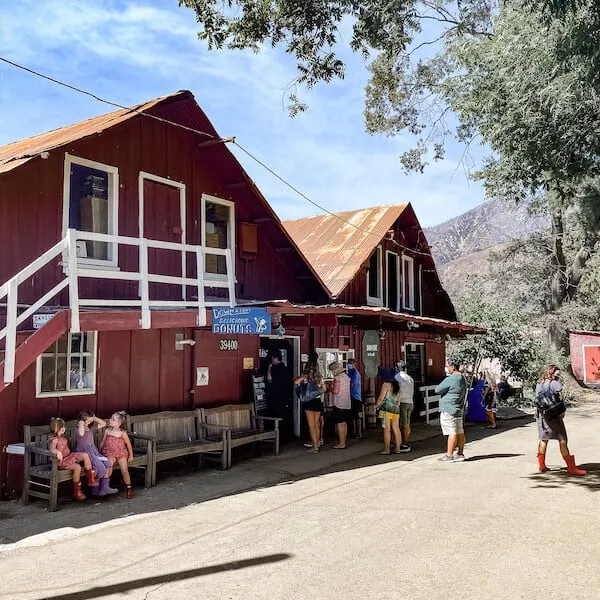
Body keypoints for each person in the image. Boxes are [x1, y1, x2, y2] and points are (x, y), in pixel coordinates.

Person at [536, 365, 586, 475]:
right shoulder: (555, 383)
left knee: (544, 439)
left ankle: (541, 465)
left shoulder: (540, 383)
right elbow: (560, 393)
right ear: (552, 373)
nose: (558, 376)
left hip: (543, 416)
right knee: (562, 440)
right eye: (557, 374)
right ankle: (571, 467)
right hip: (554, 416)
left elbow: (537, 398)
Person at [49, 417, 98, 501]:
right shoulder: (55, 440)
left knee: (85, 455)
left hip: (70, 456)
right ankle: (77, 492)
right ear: (57, 429)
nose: (64, 429)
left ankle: (91, 478)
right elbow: (51, 449)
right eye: (62, 428)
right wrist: (58, 452)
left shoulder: (62, 437)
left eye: (63, 427)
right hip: (62, 461)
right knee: (77, 467)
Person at [75, 410, 118, 496]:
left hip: (94, 452)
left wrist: (94, 418)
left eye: (91, 421)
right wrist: (81, 424)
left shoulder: (91, 428)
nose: (89, 423)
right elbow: (81, 433)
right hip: (85, 453)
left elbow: (103, 424)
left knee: (107, 462)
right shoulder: (79, 428)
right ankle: (96, 491)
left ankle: (104, 488)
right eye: (87, 421)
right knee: (99, 466)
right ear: (82, 420)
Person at [435, 363, 467, 462]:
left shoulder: (451, 378)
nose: (446, 368)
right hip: (458, 407)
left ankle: (449, 455)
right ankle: (460, 453)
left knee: (451, 432)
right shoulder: (463, 378)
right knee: (460, 431)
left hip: (449, 407)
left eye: (448, 366)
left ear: (452, 367)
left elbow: (438, 389)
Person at [295, 352, 326, 453]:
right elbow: (324, 389)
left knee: (311, 425)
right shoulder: (319, 376)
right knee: (316, 424)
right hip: (317, 401)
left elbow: (296, 382)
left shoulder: (306, 376)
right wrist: (317, 391)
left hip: (309, 401)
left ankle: (315, 446)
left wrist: (303, 378)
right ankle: (317, 443)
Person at [101, 412, 135, 498]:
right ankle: (105, 486)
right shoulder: (107, 431)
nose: (110, 420)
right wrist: (99, 451)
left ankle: (129, 488)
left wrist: (131, 455)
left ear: (119, 423)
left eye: (113, 419)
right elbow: (103, 442)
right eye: (111, 418)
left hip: (121, 453)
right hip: (109, 452)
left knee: (124, 469)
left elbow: (128, 445)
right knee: (109, 464)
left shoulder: (122, 433)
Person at [266, 350, 294, 441]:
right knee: (284, 417)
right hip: (285, 397)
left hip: (275, 397)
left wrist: (269, 368)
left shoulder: (274, 368)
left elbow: (269, 379)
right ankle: (285, 436)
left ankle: (277, 437)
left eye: (272, 358)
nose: (271, 360)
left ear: (275, 358)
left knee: (275, 417)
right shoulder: (286, 369)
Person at [375, 373, 403, 455]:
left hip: (386, 409)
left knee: (387, 429)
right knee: (396, 428)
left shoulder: (385, 385)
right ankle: (398, 449)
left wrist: (376, 406)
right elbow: (399, 399)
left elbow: (381, 398)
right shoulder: (398, 385)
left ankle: (387, 450)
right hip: (396, 409)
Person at [328, 361, 352, 449]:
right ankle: (343, 442)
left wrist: (328, 388)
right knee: (344, 423)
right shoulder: (346, 377)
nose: (332, 372)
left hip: (339, 403)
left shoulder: (337, 378)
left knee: (339, 423)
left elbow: (336, 391)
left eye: (332, 370)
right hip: (346, 402)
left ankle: (341, 444)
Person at [394, 361, 414, 452]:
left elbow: (397, 391)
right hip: (410, 401)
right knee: (407, 423)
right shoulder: (410, 378)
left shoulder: (397, 377)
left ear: (397, 368)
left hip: (402, 402)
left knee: (403, 424)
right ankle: (406, 441)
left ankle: (405, 444)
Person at [347, 358, 363, 439]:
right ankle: (353, 431)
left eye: (351, 363)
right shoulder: (349, 372)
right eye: (348, 363)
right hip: (350, 395)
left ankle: (359, 433)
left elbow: (352, 384)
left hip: (356, 396)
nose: (349, 364)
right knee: (352, 415)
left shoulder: (355, 373)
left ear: (354, 364)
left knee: (357, 415)